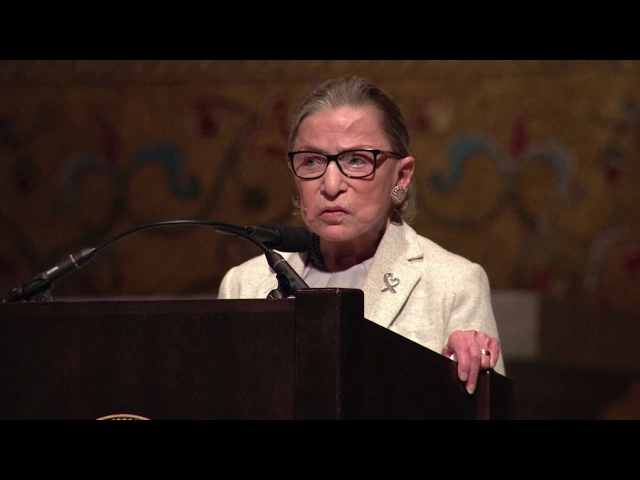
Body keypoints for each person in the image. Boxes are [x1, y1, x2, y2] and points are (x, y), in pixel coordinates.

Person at [218, 75, 505, 394]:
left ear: (401, 175)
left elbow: (483, 408)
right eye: (311, 161)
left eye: (356, 160)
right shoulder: (244, 284)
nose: (330, 186)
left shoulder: (454, 284)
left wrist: (457, 373)